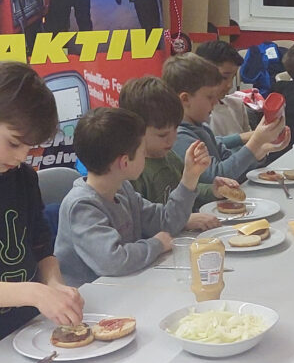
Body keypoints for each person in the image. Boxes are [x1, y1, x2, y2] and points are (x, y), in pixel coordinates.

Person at [0, 62, 84, 360]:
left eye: (30, 148)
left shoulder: (22, 176)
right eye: (14, 143)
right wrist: (33, 292)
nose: (21, 157)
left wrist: (54, 285)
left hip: (28, 332)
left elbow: (40, 246)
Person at [54, 108, 210, 287]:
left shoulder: (122, 189)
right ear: (125, 162)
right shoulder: (82, 205)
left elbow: (167, 221)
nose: (145, 156)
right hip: (91, 299)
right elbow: (113, 261)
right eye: (143, 152)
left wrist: (190, 177)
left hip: (125, 285)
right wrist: (157, 244)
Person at [119, 76, 240, 219]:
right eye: (162, 135)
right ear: (134, 131)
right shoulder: (132, 173)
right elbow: (143, 221)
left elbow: (185, 189)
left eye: (176, 129)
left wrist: (213, 190)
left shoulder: (170, 156)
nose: (172, 139)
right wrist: (185, 220)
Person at [162, 53, 290, 182]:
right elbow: (217, 176)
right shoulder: (178, 136)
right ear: (185, 99)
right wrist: (255, 142)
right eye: (209, 97)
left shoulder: (203, 128)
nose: (216, 102)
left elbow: (233, 165)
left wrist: (260, 151)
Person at [195, 40, 253, 146]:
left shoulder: (237, 105)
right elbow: (206, 146)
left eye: (233, 77)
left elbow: (254, 149)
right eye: (224, 77)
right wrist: (244, 138)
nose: (230, 85)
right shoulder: (195, 113)